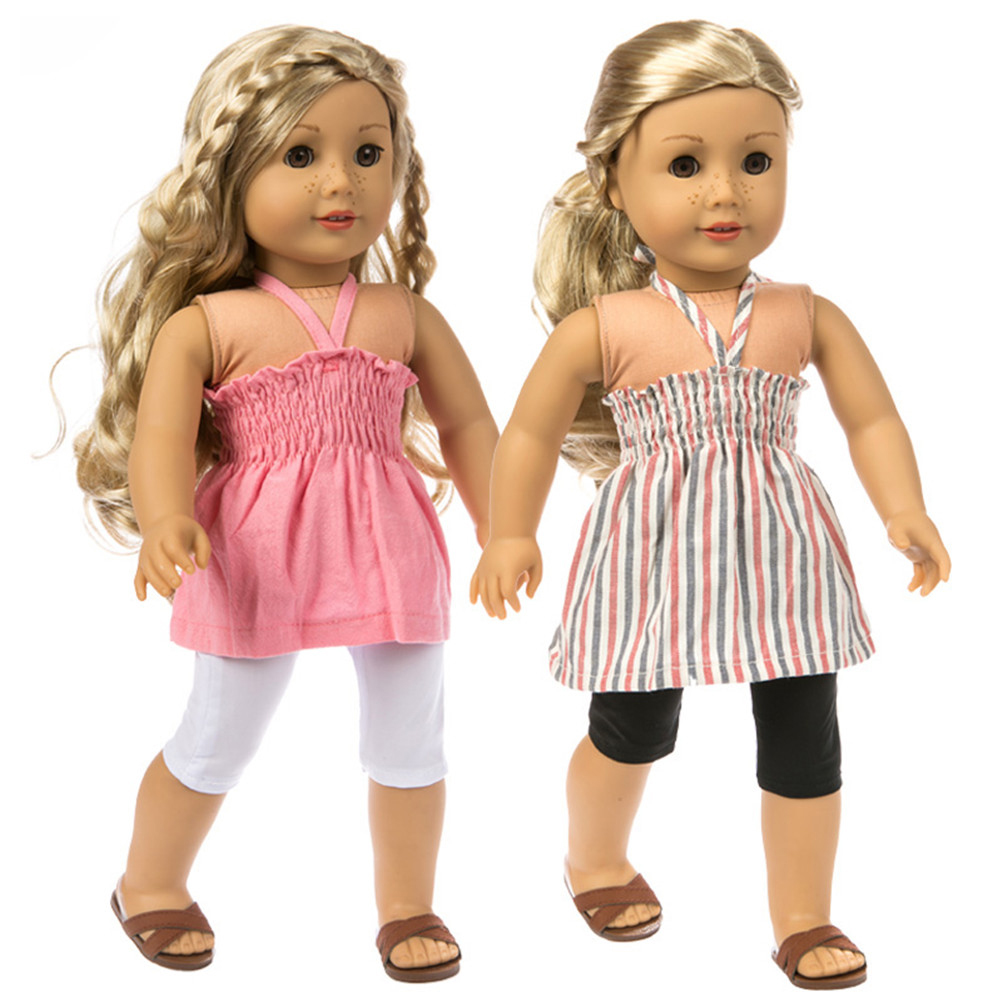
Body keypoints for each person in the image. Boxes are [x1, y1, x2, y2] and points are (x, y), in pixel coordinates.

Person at [471, 19, 949, 991]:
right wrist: (510, 531)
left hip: (783, 552)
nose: (726, 192)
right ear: (615, 183)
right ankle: (594, 861)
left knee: (806, 739)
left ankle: (804, 917)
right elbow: (526, 434)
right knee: (633, 726)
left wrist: (905, 507)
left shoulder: (804, 312)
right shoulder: (607, 326)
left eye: (756, 161)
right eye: (685, 165)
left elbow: (871, 419)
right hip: (652, 555)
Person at [71, 24, 497, 982]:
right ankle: (149, 883)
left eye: (367, 153)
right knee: (219, 734)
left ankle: (409, 903)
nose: (340, 181)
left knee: (411, 737)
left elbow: (469, 423)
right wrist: (166, 518)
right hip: (252, 556)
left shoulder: (404, 314)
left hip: (389, 548)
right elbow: (161, 438)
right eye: (300, 156)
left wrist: (502, 524)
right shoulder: (208, 323)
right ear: (231, 172)